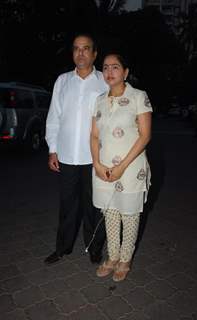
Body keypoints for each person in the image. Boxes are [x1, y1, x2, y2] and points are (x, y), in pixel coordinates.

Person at [44, 33, 107, 265]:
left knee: (94, 206)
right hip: (68, 156)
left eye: (85, 48)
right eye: (76, 49)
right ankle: (63, 248)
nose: (80, 53)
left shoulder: (104, 81)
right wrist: (53, 149)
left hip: (95, 157)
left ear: (94, 54)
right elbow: (54, 117)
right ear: (73, 53)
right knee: (67, 206)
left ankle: (94, 248)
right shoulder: (62, 81)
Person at [90, 53, 153, 281]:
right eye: (105, 67)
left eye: (115, 67)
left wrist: (122, 167)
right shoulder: (99, 99)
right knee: (110, 213)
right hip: (104, 168)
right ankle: (112, 256)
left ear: (125, 72)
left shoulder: (138, 96)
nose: (109, 72)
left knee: (129, 215)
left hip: (131, 168)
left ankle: (125, 259)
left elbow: (145, 136)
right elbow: (94, 136)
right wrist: (97, 164)